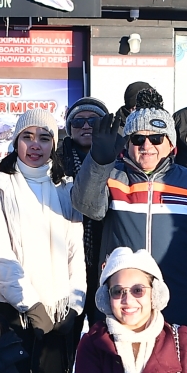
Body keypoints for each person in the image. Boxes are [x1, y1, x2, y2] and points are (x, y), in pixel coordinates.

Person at [70, 105, 187, 334]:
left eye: (156, 138)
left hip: (180, 302)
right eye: (138, 139)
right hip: (124, 303)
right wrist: (98, 162)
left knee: (172, 369)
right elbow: (87, 206)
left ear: (171, 145)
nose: (147, 146)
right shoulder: (113, 176)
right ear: (127, 145)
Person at [0, 108, 84, 373]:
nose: (35, 144)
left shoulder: (65, 188)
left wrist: (75, 306)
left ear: (54, 144)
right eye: (27, 136)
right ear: (16, 142)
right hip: (13, 313)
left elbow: (76, 253)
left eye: (44, 137)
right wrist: (32, 306)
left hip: (60, 315)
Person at [59, 96, 111, 316]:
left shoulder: (116, 158)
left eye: (94, 121)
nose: (86, 126)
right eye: (78, 122)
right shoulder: (56, 161)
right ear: (70, 128)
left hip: (104, 254)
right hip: (66, 256)